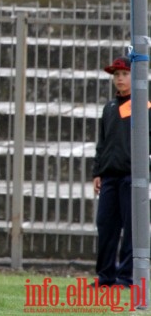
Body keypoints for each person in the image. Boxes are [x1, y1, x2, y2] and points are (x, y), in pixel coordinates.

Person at [92, 55, 149, 288]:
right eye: (116, 75)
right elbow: (102, 143)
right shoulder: (110, 107)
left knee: (131, 228)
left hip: (132, 177)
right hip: (109, 177)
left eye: (124, 74)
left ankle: (125, 277)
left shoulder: (143, 106)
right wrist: (98, 172)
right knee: (105, 226)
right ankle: (105, 277)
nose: (120, 79)